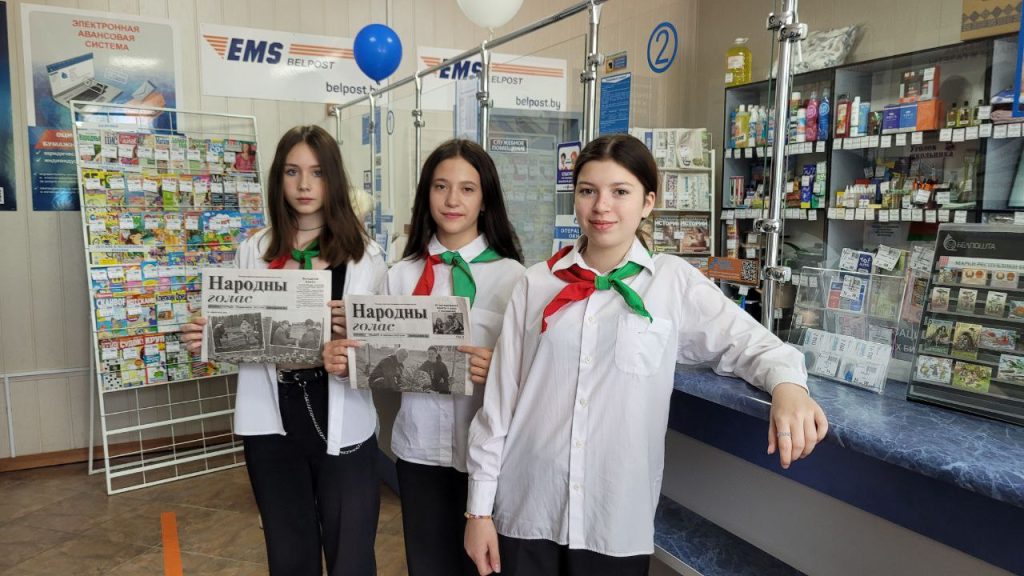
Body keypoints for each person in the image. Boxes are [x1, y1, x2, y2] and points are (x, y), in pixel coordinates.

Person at [463, 134, 829, 576]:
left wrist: (789, 387)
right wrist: (478, 510)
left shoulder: (672, 283)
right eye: (588, 190)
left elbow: (753, 344)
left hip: (613, 518)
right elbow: (499, 405)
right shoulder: (536, 283)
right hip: (528, 506)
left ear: (648, 202)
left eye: (620, 191)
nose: (602, 206)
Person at [180, 125, 386, 576]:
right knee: (288, 550)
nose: (304, 184)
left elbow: (382, 349)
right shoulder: (254, 250)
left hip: (340, 412)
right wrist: (209, 333)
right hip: (271, 417)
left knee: (351, 553)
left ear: (333, 179)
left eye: (317, 172)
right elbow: (243, 332)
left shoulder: (364, 256)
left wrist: (354, 340)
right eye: (293, 172)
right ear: (279, 179)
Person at [325, 138, 525, 576]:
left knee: (488, 567)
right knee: (428, 564)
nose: (452, 200)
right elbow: (374, 362)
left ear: (485, 199)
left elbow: (533, 373)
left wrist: (501, 367)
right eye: (440, 186)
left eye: (467, 189)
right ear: (426, 194)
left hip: (489, 458)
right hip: (418, 453)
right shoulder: (399, 275)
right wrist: (346, 360)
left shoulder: (513, 278)